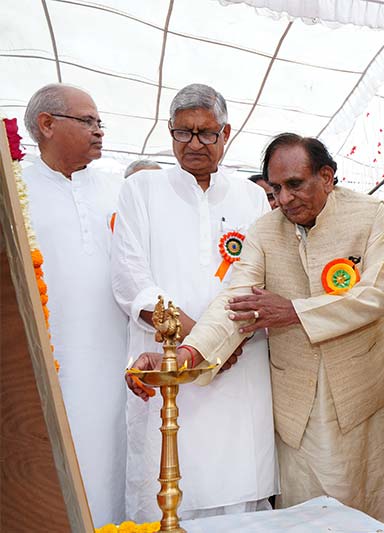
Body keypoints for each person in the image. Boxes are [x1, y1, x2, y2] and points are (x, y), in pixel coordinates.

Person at [126, 133, 384, 523]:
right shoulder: (265, 230)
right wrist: (185, 356)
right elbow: (234, 300)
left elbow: (375, 294)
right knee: (307, 518)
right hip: (297, 407)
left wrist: (294, 312)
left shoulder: (368, 213)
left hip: (361, 395)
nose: (285, 198)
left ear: (326, 177)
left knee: (366, 514)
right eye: (276, 188)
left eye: (295, 184)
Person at [111, 84, 278, 521]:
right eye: (183, 132)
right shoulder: (141, 189)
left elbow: (260, 276)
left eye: (206, 133)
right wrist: (203, 343)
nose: (194, 144)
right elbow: (130, 278)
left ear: (226, 134)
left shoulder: (251, 196)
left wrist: (223, 342)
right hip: (167, 362)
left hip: (240, 362)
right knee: (167, 486)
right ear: (170, 132)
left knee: (239, 488)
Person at [21, 83, 127, 525]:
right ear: (46, 124)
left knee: (113, 464)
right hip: (45, 363)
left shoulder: (118, 188)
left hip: (116, 361)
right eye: (88, 121)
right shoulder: (15, 186)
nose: (99, 131)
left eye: (100, 122)